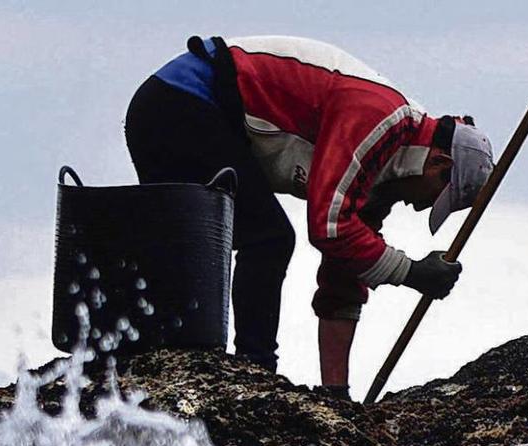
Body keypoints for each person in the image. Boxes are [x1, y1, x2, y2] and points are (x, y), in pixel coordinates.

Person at [124, 35, 493, 400]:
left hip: (184, 109)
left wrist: (337, 393)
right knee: (267, 239)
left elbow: (343, 277)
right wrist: (411, 273)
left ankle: (153, 347)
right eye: (434, 199)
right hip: (183, 100)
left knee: (194, 243)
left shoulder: (382, 179)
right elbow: (329, 229)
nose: (421, 208)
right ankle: (255, 372)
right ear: (439, 164)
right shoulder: (379, 120)